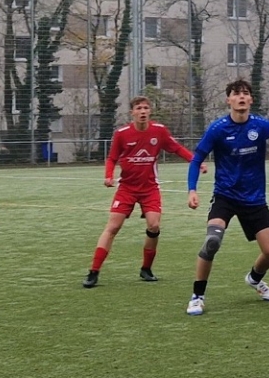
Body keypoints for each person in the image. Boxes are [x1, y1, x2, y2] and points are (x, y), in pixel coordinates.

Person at [181, 79, 269, 316]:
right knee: (212, 242)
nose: (241, 97)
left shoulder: (261, 125)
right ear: (228, 100)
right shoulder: (217, 128)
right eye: (236, 93)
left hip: (254, 200)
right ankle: (197, 296)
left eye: (245, 93)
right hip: (225, 196)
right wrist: (192, 189)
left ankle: (254, 279)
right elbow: (197, 158)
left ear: (251, 99)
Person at [82, 96, 196, 288]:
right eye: (138, 108)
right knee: (113, 227)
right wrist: (108, 176)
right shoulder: (122, 134)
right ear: (132, 113)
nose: (142, 111)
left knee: (154, 226)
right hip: (126, 188)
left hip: (150, 189)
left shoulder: (159, 131)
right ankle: (93, 271)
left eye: (145, 108)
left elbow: (176, 148)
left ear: (149, 111)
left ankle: (146, 269)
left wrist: (195, 161)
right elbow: (112, 158)